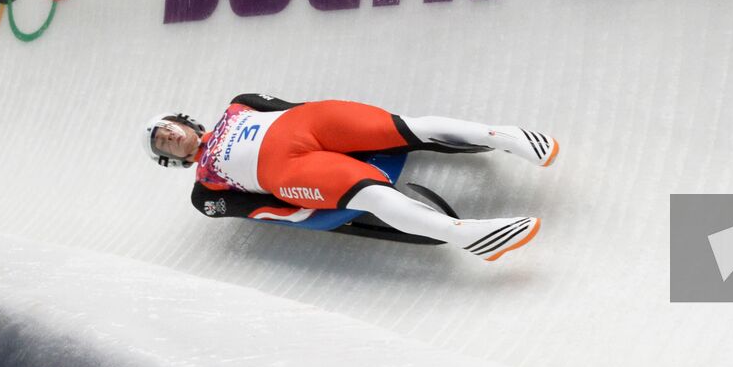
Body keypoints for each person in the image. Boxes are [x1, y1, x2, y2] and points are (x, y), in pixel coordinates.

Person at [143, 94, 557, 262]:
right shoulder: (204, 191)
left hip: (309, 124)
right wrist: (308, 212)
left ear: (183, 120)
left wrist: (343, 125)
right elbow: (260, 210)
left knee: (405, 126)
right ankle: (467, 235)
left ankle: (503, 136)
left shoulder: (240, 103)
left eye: (167, 127)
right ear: (171, 159)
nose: (170, 136)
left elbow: (294, 105)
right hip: (287, 173)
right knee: (370, 195)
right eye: (164, 143)